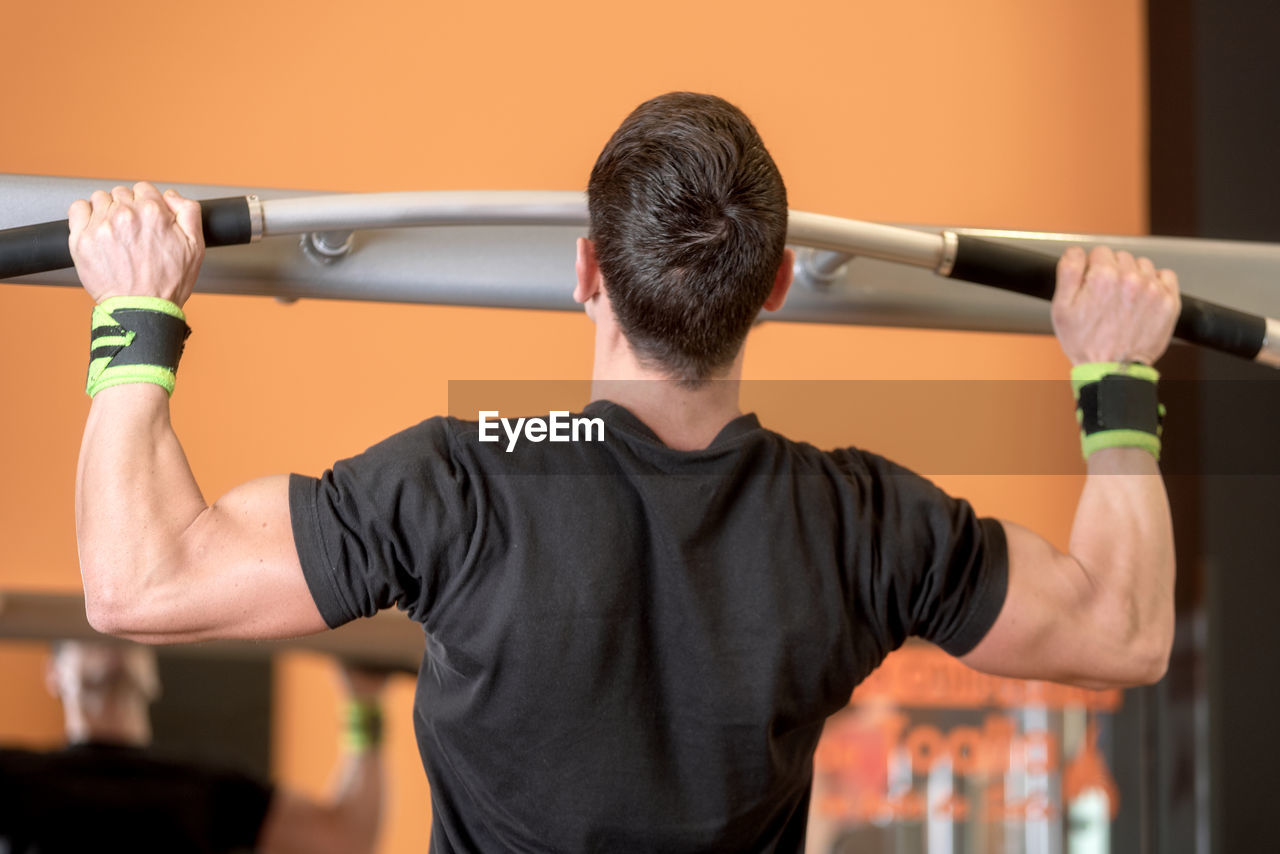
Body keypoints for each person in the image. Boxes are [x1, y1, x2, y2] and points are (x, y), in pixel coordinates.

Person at [66, 92, 1179, 851]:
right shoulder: (861, 523)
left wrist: (138, 309)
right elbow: (1118, 629)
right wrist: (1114, 374)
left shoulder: (471, 481)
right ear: (779, 283)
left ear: (585, 271)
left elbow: (140, 580)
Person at [0, 640, 388, 853]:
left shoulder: (208, 786)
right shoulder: (13, 777)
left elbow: (345, 839)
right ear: (53, 674)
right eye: (85, 628)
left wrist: (364, 702)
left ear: (154, 672)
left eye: (124, 630)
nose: (107, 638)